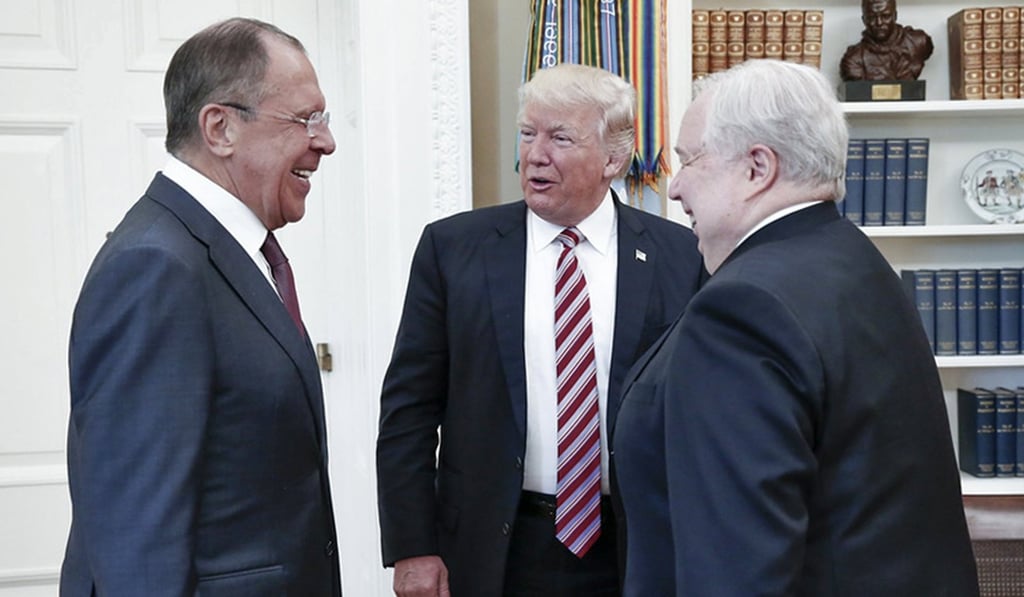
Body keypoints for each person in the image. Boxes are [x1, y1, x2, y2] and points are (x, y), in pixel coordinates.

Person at [613, 59, 979, 596]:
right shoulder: (851, 257)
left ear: (758, 168)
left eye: (689, 160)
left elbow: (737, 570)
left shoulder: (743, 308)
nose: (675, 187)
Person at [376, 63, 705, 597]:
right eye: (528, 133)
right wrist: (413, 546)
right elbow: (408, 410)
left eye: (560, 137)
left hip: (633, 547)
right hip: (495, 547)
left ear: (613, 158)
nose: (535, 154)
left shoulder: (681, 256)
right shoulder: (453, 249)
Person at [59, 17, 342, 595]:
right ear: (220, 128)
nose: (325, 141)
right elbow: (135, 534)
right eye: (305, 119)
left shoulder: (226, 251)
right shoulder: (156, 267)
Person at [840, 0, 934, 81]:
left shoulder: (918, 42)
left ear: (895, 16)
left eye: (885, 16)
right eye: (872, 17)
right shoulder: (853, 60)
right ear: (864, 20)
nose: (879, 23)